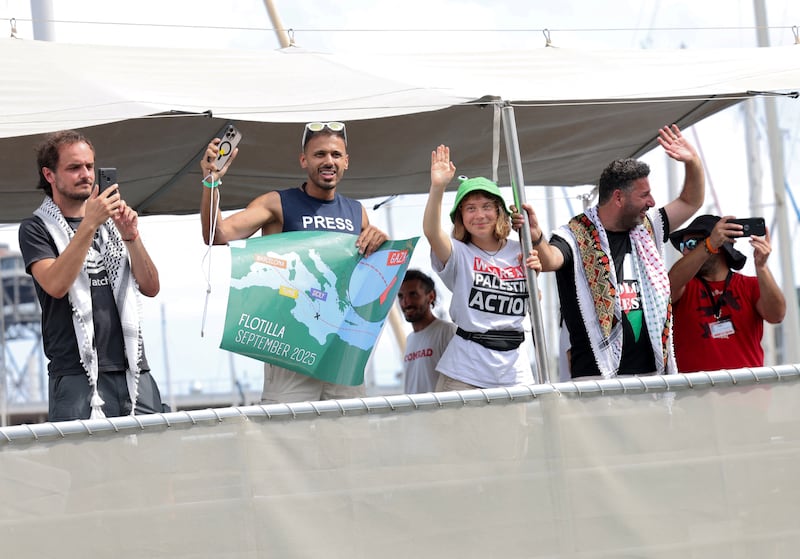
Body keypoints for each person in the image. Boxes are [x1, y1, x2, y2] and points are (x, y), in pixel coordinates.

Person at [199, 121, 388, 403]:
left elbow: (365, 277)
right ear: (303, 160)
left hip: (340, 351)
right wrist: (211, 181)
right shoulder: (276, 202)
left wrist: (379, 242)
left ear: (346, 162)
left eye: (336, 155)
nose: (328, 161)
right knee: (287, 438)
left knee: (348, 438)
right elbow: (218, 233)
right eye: (319, 154)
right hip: (290, 347)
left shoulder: (356, 211)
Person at [522, 125, 705, 379]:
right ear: (618, 198)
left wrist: (693, 162)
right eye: (645, 195)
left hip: (651, 378)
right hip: (597, 381)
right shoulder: (576, 235)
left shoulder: (648, 227)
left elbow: (690, 201)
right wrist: (537, 237)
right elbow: (550, 259)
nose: (652, 202)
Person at [18, 130, 166, 421]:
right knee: (84, 465)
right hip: (76, 375)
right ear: (49, 175)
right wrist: (90, 223)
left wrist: (132, 237)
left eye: (89, 166)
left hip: (134, 369)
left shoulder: (112, 223)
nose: (85, 174)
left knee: (150, 463)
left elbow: (151, 287)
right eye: (74, 168)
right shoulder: (35, 228)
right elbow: (56, 285)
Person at [423, 145, 541, 391]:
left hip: (515, 372)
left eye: (487, 206)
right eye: (470, 208)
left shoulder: (519, 249)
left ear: (499, 211)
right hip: (465, 372)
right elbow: (432, 232)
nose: (480, 215)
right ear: (460, 217)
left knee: (517, 432)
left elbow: (533, 303)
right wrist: (438, 186)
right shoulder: (458, 252)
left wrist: (534, 276)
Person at [668, 214, 786, 372]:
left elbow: (777, 315)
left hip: (748, 394)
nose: (686, 251)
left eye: (692, 243)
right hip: (694, 396)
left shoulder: (750, 285)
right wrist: (709, 245)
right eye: (683, 246)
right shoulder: (683, 287)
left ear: (720, 246)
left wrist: (762, 267)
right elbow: (668, 287)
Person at [397, 269, 456, 394]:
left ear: (431, 296)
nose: (405, 302)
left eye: (413, 294)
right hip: (413, 413)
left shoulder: (447, 332)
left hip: (439, 412)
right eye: (401, 296)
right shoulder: (409, 340)